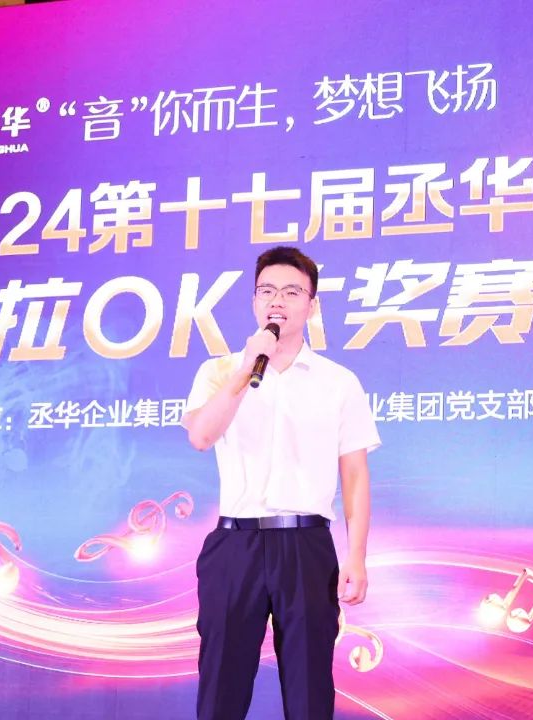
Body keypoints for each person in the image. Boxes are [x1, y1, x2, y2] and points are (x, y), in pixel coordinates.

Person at [184, 246, 380, 720]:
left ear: (311, 305)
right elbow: (201, 436)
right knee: (221, 688)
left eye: (292, 292)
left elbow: (354, 475)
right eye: (267, 291)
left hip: (305, 546)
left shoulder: (338, 382)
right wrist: (245, 368)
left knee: (309, 689)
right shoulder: (219, 371)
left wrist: (356, 555)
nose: (277, 300)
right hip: (235, 544)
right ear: (254, 301)